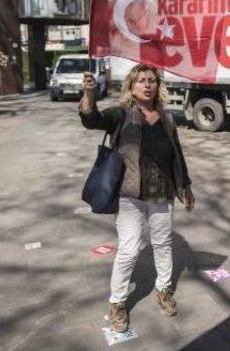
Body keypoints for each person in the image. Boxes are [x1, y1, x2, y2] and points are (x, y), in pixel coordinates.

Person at [79, 64, 195, 333]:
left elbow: (177, 154)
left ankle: (164, 290)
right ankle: (117, 303)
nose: (147, 85)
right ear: (132, 85)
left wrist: (186, 186)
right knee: (129, 250)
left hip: (161, 191)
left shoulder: (166, 118)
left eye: (152, 80)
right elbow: (92, 119)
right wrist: (89, 94)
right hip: (130, 194)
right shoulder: (121, 114)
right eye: (141, 80)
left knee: (163, 243)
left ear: (158, 85)